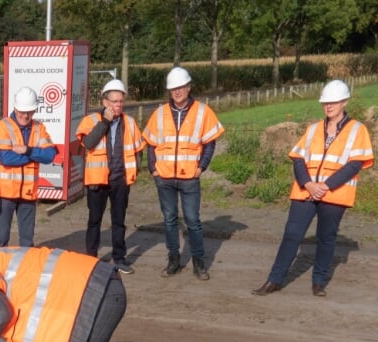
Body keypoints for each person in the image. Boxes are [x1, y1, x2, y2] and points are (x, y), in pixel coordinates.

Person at [252, 80, 374, 298]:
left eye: (333, 102)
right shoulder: (313, 129)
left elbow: (355, 164)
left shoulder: (358, 130)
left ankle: (319, 282)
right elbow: (298, 158)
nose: (329, 106)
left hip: (335, 193)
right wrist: (308, 184)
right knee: (292, 234)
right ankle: (274, 280)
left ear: (344, 102)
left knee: (326, 237)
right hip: (305, 191)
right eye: (326, 102)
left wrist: (326, 186)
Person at [143, 67, 224, 280]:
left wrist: (201, 167)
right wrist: (153, 169)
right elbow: (150, 144)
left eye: (181, 87)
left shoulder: (203, 111)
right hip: (165, 177)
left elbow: (210, 143)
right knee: (169, 220)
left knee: (192, 220)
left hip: (190, 178)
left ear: (188, 87)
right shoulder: (159, 113)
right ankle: (173, 260)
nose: (177, 92)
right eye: (173, 89)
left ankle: (199, 262)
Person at [77, 79, 146, 274]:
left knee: (118, 221)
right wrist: (105, 122)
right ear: (105, 102)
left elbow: (138, 149)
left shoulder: (130, 123)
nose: (118, 105)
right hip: (97, 181)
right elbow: (89, 143)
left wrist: (133, 172)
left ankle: (119, 258)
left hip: (119, 180)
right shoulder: (90, 121)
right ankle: (91, 258)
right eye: (115, 101)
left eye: (121, 101)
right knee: (94, 220)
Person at [0, 87, 57, 248]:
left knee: (27, 239)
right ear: (15, 108)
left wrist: (27, 150)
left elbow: (49, 156)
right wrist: (34, 156)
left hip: (28, 192)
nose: (26, 116)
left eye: (30, 112)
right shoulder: (3, 126)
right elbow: (6, 158)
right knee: (1, 237)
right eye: (22, 112)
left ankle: (25, 268)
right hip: (5, 192)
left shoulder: (39, 128)